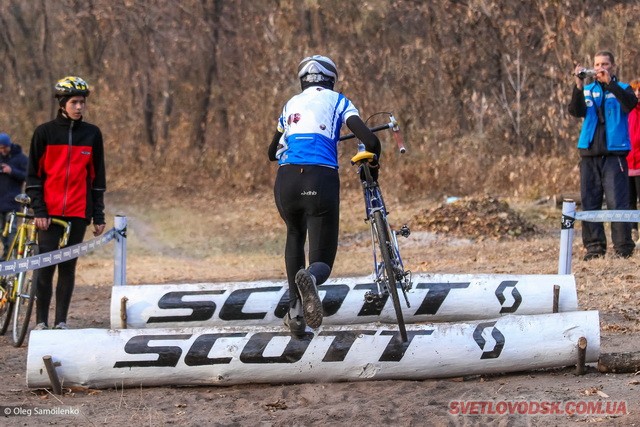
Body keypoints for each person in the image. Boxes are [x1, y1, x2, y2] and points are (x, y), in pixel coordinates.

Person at [268, 55, 380, 337]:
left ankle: (295, 312)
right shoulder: (339, 101)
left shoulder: (290, 105)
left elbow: (271, 152)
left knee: (294, 233)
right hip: (321, 178)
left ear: (302, 80)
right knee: (322, 261)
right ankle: (312, 278)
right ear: (331, 79)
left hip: (287, 180)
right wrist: (373, 161)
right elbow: (371, 140)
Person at [26, 76, 106, 330]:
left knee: (68, 267)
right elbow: (33, 176)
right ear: (62, 103)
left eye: (82, 102)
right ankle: (41, 322)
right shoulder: (44, 132)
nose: (79, 107)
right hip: (48, 213)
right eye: (74, 102)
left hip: (78, 211)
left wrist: (99, 215)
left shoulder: (92, 134)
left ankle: (61, 321)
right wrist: (39, 209)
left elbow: (97, 177)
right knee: (45, 266)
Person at [568, 51, 638, 260]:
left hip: (614, 153)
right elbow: (575, 110)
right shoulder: (588, 90)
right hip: (589, 153)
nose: (600, 68)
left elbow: (630, 105)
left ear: (612, 66)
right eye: (597, 64)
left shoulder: (623, 89)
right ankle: (595, 247)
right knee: (590, 201)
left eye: (605, 64)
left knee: (618, 201)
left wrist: (611, 85)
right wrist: (578, 86)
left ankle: (623, 247)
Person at [0, 133, 28, 259]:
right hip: (0, 202)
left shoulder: (21, 158)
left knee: (12, 230)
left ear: (9, 145)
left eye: (4, 147)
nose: (2, 150)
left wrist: (11, 171)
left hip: (12, 201)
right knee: (2, 231)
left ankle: (14, 254)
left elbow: (27, 176)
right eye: (0, 148)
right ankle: (7, 253)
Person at [626, 79, 640, 242]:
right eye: (635, 90)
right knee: (629, 201)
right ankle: (632, 230)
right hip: (628, 162)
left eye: (639, 91)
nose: (637, 94)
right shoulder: (627, 110)